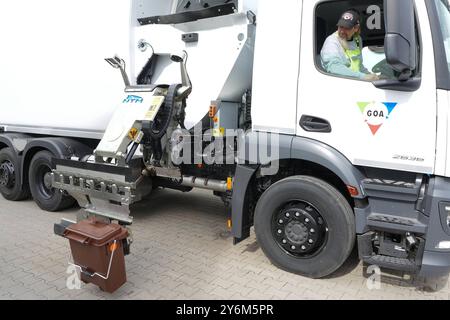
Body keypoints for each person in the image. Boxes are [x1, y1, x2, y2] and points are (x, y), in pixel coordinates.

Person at [320, 10, 379, 81]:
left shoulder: (357, 40)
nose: (342, 31)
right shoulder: (331, 41)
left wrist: (372, 76)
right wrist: (362, 77)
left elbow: (359, 66)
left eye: (347, 28)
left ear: (356, 28)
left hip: (355, 81)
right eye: (341, 26)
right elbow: (333, 66)